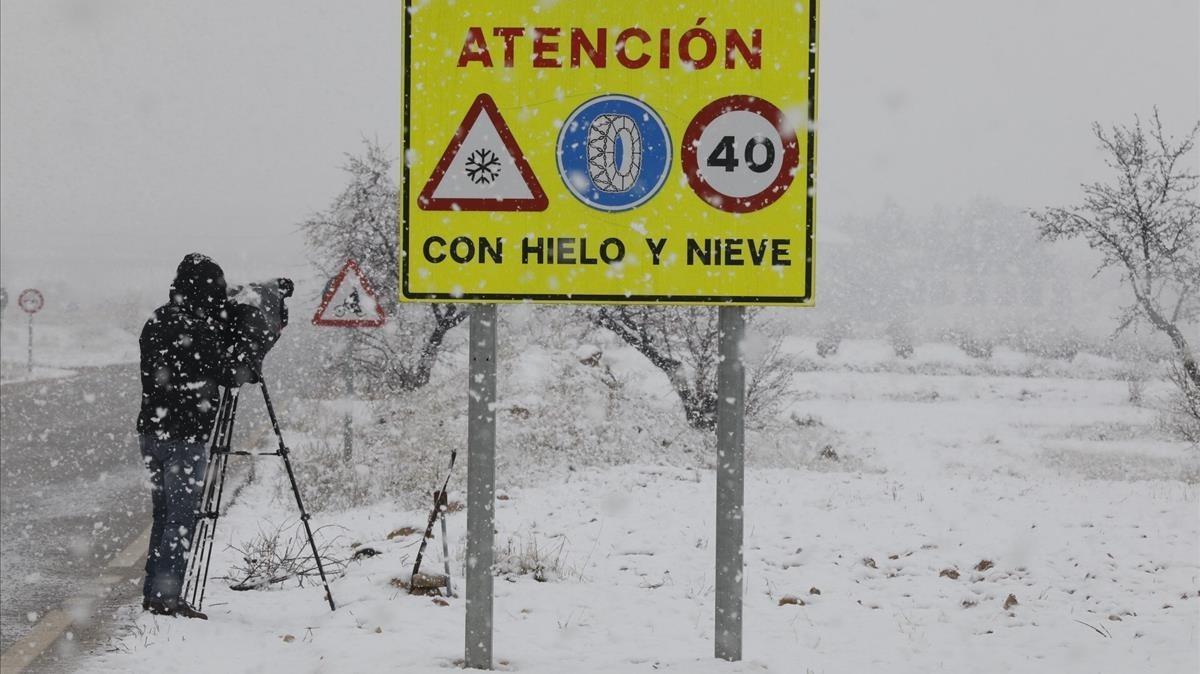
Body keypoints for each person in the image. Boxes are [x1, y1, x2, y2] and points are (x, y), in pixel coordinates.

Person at [137, 253, 234, 619]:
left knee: (163, 516)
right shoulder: (197, 329)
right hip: (184, 437)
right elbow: (227, 372)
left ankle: (154, 592)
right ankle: (167, 597)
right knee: (181, 520)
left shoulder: (157, 320)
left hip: (151, 431)